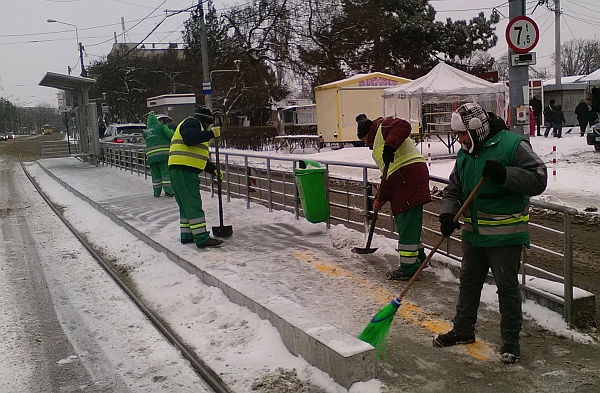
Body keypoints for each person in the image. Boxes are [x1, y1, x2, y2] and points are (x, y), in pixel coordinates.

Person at [432, 103, 547, 364]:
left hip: (505, 236)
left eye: (463, 135)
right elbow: (453, 189)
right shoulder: (465, 154)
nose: (460, 141)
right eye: (458, 136)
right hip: (474, 236)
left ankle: (510, 343)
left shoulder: (512, 145)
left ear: (478, 130)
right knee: (469, 283)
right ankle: (462, 330)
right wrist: (447, 214)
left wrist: (505, 174)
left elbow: (539, 177)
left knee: (506, 288)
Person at [356, 113, 431, 280]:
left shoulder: (384, 127)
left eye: (364, 139)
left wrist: (390, 146)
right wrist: (379, 199)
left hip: (409, 179)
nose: (365, 143)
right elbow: (388, 176)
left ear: (369, 133)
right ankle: (419, 259)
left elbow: (404, 125)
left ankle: (409, 267)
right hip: (402, 181)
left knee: (406, 223)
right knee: (408, 224)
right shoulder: (376, 147)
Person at [169, 107, 223, 248]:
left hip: (179, 168)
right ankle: (201, 237)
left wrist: (214, 170)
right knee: (193, 203)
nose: (208, 127)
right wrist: (210, 134)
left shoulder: (195, 127)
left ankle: (187, 235)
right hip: (184, 170)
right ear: (205, 121)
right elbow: (189, 139)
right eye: (208, 125)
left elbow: (198, 156)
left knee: (185, 204)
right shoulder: (192, 123)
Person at [143, 112, 175, 197]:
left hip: (151, 157)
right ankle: (169, 191)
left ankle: (156, 192)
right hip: (163, 155)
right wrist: (172, 130)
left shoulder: (146, 131)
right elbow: (171, 135)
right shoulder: (161, 127)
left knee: (155, 175)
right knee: (165, 173)